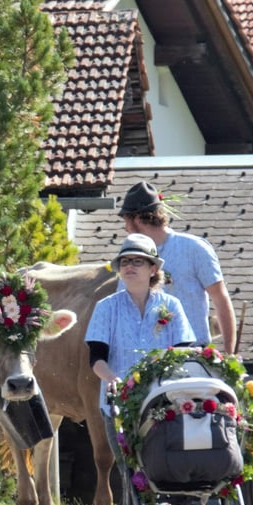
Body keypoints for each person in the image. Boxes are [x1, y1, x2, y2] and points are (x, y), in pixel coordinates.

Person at [85, 233, 195, 443]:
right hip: (119, 405)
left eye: (137, 261)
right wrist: (110, 378)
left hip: (164, 403)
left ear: (153, 269)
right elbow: (96, 358)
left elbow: (184, 354)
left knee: (161, 467)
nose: (129, 266)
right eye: (124, 261)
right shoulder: (106, 307)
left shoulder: (172, 305)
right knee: (127, 472)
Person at [119, 181, 237, 354]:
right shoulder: (129, 258)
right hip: (146, 358)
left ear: (137, 219)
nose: (126, 228)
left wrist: (229, 354)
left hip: (193, 353)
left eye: (126, 221)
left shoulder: (194, 248)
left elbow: (220, 299)